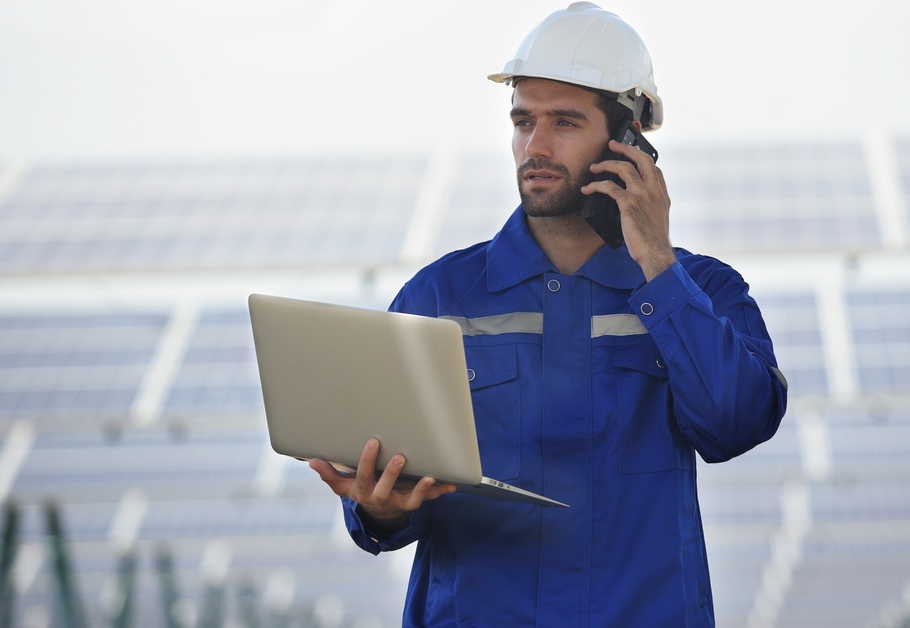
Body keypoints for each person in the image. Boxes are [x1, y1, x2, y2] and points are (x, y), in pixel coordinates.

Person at [310, 3, 788, 625]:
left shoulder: (702, 290)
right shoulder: (439, 299)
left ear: (629, 139)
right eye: (522, 121)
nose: (534, 146)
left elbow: (737, 424)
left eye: (564, 122)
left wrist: (660, 270)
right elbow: (388, 509)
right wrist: (382, 507)